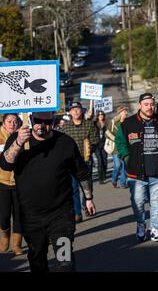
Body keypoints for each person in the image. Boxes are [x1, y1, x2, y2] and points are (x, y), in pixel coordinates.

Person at [0, 111, 96, 272]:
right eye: (37, 121)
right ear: (31, 119)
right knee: (37, 260)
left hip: (61, 214)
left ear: (53, 121)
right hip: (31, 216)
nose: (42, 126)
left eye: (47, 122)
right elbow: (6, 164)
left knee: (65, 261)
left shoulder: (65, 142)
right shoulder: (17, 139)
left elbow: (82, 173)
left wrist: (88, 197)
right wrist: (18, 143)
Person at [115, 93, 158, 243]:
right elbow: (120, 142)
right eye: (146, 104)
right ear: (140, 105)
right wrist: (126, 157)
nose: (149, 107)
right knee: (138, 203)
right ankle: (141, 224)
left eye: (151, 104)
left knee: (155, 202)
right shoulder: (128, 123)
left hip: (157, 171)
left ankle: (156, 229)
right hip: (136, 174)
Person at [60, 101, 99, 223]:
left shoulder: (89, 125)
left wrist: (90, 148)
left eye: (78, 109)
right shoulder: (65, 127)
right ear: (70, 112)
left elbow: (96, 140)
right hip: (71, 162)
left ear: (82, 111)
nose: (76, 111)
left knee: (87, 186)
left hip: (85, 160)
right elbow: (61, 144)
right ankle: (77, 213)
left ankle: (86, 205)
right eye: (73, 109)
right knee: (73, 187)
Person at [0, 114, 24, 256]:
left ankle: (17, 244)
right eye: (9, 121)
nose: (12, 124)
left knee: (19, 215)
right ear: (3, 122)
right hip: (2, 181)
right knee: (3, 215)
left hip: (19, 182)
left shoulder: (22, 134)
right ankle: (4, 238)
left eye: (15, 121)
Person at [105, 106, 128, 189]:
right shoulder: (114, 123)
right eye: (124, 111)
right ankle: (114, 180)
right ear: (120, 113)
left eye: (126, 111)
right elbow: (107, 133)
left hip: (125, 148)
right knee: (117, 166)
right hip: (116, 148)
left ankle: (122, 183)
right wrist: (115, 139)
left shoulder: (128, 122)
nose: (126, 113)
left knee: (124, 166)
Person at [94, 111, 108, 184]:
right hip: (97, 145)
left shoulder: (106, 123)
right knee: (100, 161)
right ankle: (100, 178)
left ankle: (104, 174)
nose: (100, 115)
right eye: (99, 114)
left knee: (105, 161)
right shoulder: (94, 123)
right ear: (97, 116)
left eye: (102, 114)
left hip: (105, 144)